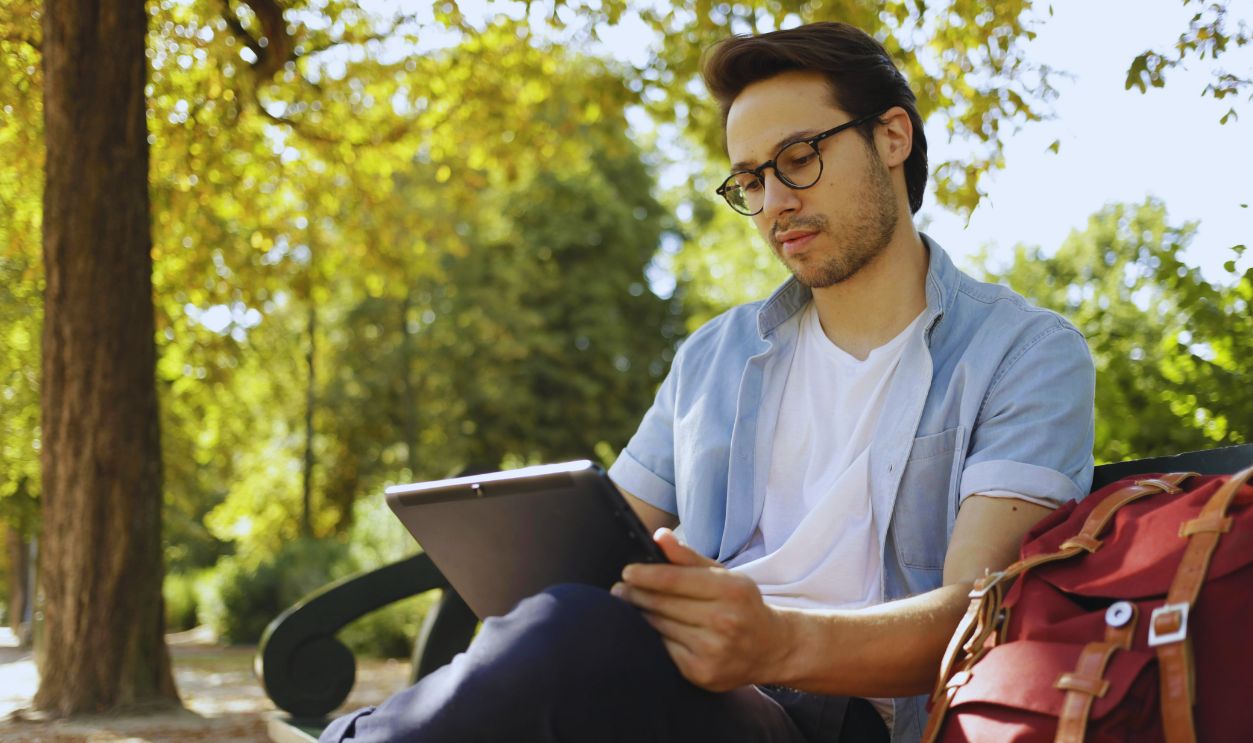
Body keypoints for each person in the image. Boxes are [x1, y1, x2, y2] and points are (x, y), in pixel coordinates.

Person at [321, 20, 1094, 743]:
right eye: (749, 181)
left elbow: (975, 615)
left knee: (568, 635)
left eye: (798, 159)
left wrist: (774, 641)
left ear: (892, 137)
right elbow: (605, 538)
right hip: (684, 688)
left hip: (853, 717)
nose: (773, 204)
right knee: (565, 622)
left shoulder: (1023, 352)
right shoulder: (714, 356)